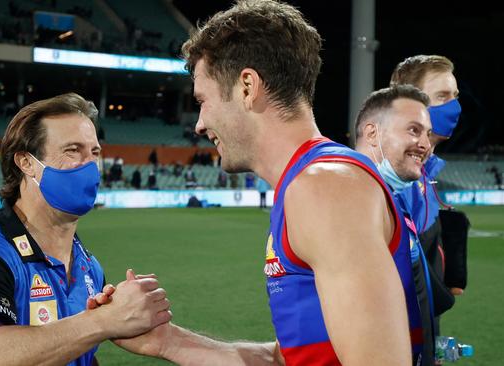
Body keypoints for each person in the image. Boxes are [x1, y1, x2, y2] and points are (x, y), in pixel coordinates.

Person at [113, 1, 423, 364]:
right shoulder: (311, 182)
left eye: (202, 100)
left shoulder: (323, 188)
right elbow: (291, 358)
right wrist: (167, 342)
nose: (198, 124)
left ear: (247, 86)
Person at [0, 93, 171, 365]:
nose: (89, 165)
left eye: (95, 153)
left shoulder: (90, 268)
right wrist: (102, 321)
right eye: (72, 150)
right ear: (27, 163)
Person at [354, 85, 436, 365]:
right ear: (372, 134)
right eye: (414, 130)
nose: (426, 144)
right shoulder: (350, 200)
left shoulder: (389, 198)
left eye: (427, 133)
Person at [390, 55, 466, 330]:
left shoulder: (424, 172)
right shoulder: (392, 177)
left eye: (455, 95)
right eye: (443, 96)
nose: (454, 106)